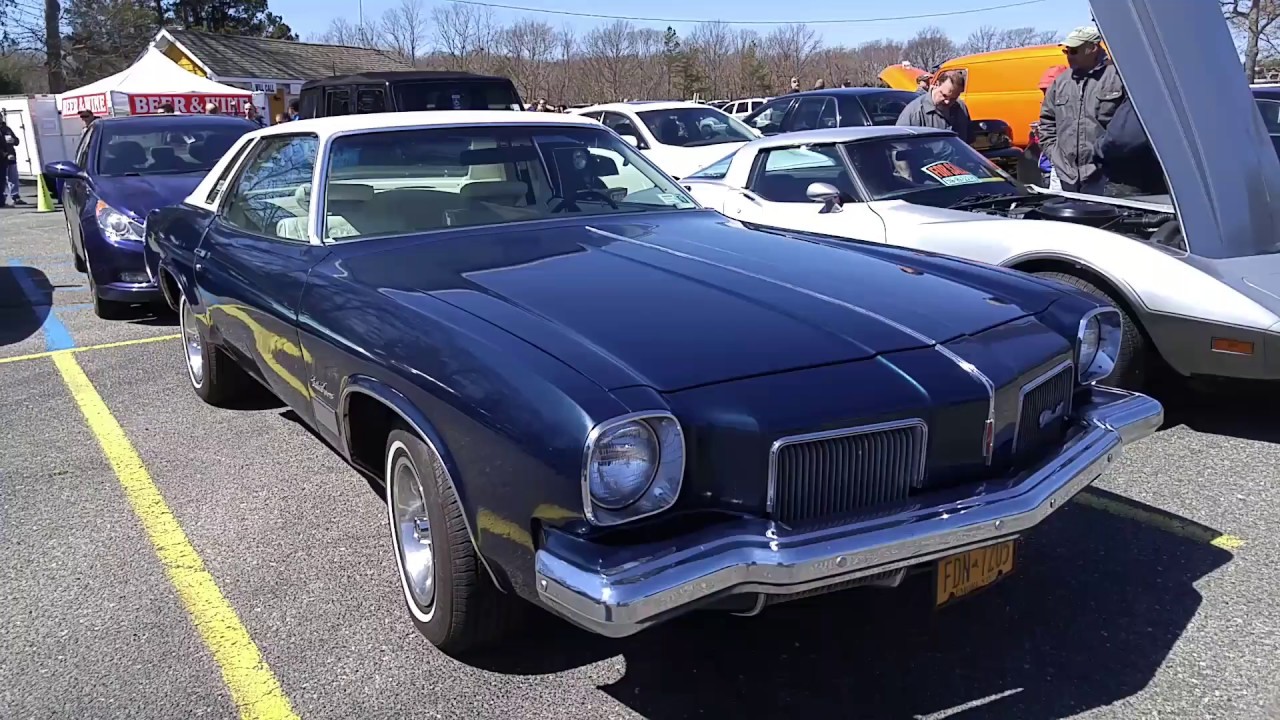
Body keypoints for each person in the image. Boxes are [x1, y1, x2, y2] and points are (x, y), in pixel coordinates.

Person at [1037, 24, 1126, 195]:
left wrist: (1107, 155)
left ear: (1092, 48)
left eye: (1074, 51)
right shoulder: (1060, 82)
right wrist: (1055, 154)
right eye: (1066, 51)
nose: (1069, 56)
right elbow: (1047, 122)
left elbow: (1129, 127)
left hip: (1106, 176)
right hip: (1067, 176)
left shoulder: (1118, 77)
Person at [896, 69, 972, 143]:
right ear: (936, 84)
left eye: (953, 98)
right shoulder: (915, 113)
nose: (947, 101)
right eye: (944, 95)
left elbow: (968, 142)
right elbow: (900, 145)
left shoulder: (961, 108)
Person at [1, 119, 24, 206]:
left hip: (11, 157)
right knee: (2, 179)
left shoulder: (7, 129)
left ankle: (15, 196)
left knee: (13, 178)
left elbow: (17, 141)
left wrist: (13, 140)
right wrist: (5, 154)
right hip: (2, 158)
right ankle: (3, 198)